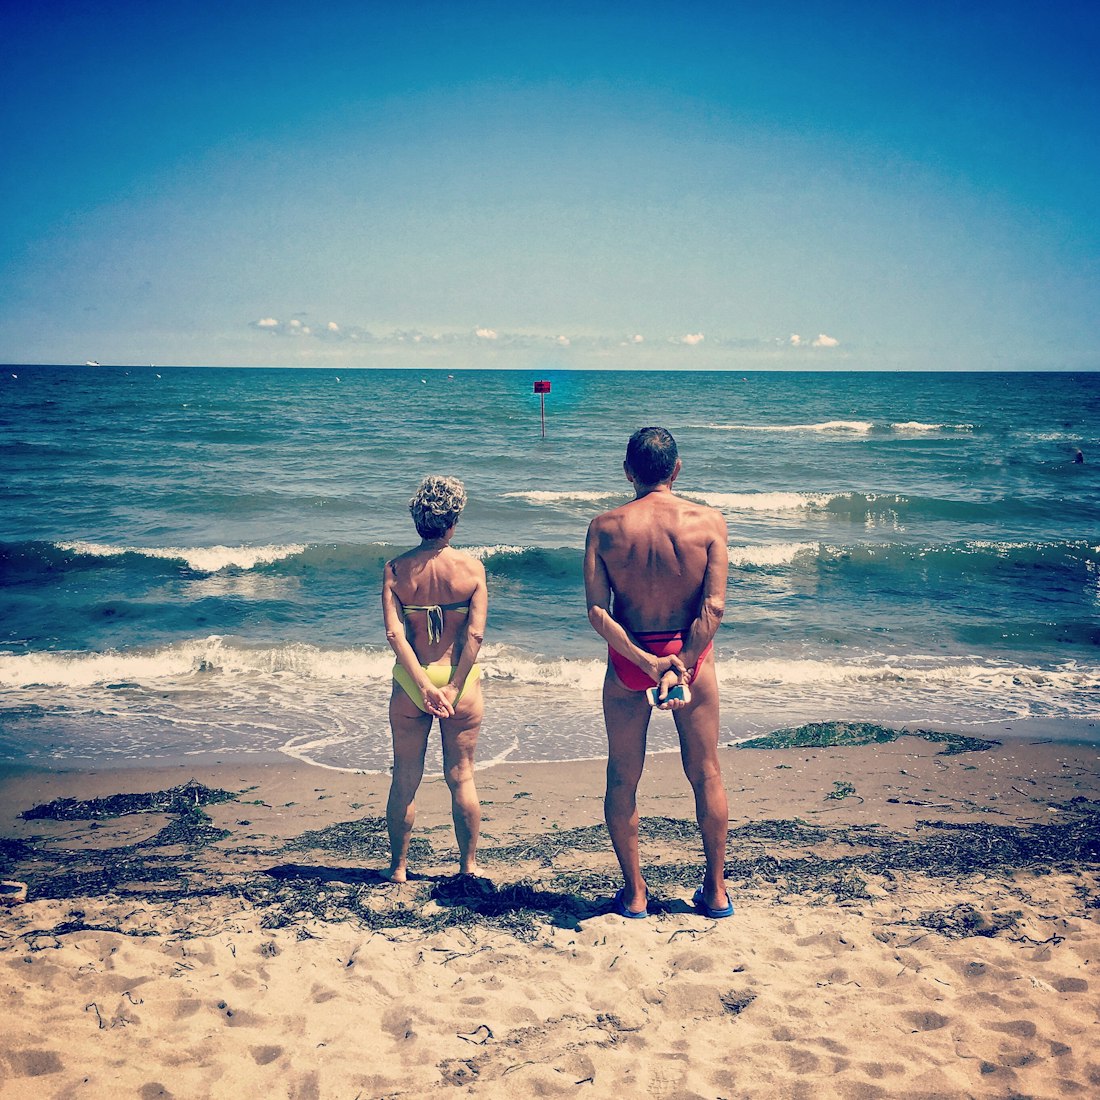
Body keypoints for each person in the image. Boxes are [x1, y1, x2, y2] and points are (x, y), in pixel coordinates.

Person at [584, 427, 732, 919]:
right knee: (706, 772)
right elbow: (713, 608)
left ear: (628, 471)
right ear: (677, 468)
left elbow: (598, 613)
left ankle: (635, 894)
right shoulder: (708, 522)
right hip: (691, 659)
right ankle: (715, 892)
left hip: (630, 660)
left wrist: (648, 665)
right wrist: (680, 666)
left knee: (622, 777)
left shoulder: (604, 527)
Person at [382, 475, 487, 881]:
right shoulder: (471, 569)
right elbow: (474, 636)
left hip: (413, 682)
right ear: (453, 521)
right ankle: (468, 866)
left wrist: (424, 687)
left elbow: (395, 635)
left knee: (405, 776)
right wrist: (452, 687)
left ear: (417, 519)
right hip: (459, 683)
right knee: (462, 776)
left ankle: (399, 868)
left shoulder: (395, 570)